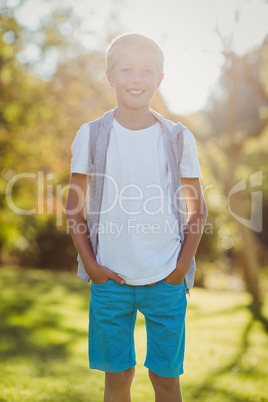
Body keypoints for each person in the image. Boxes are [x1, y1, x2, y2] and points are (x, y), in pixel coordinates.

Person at [66, 33, 207, 402]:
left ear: (160, 79)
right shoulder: (91, 135)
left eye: (146, 71)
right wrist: (92, 265)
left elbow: (198, 209)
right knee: (117, 380)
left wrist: (180, 269)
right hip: (110, 280)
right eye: (126, 70)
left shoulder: (177, 137)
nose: (136, 79)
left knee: (165, 381)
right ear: (110, 76)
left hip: (166, 280)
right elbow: (73, 206)